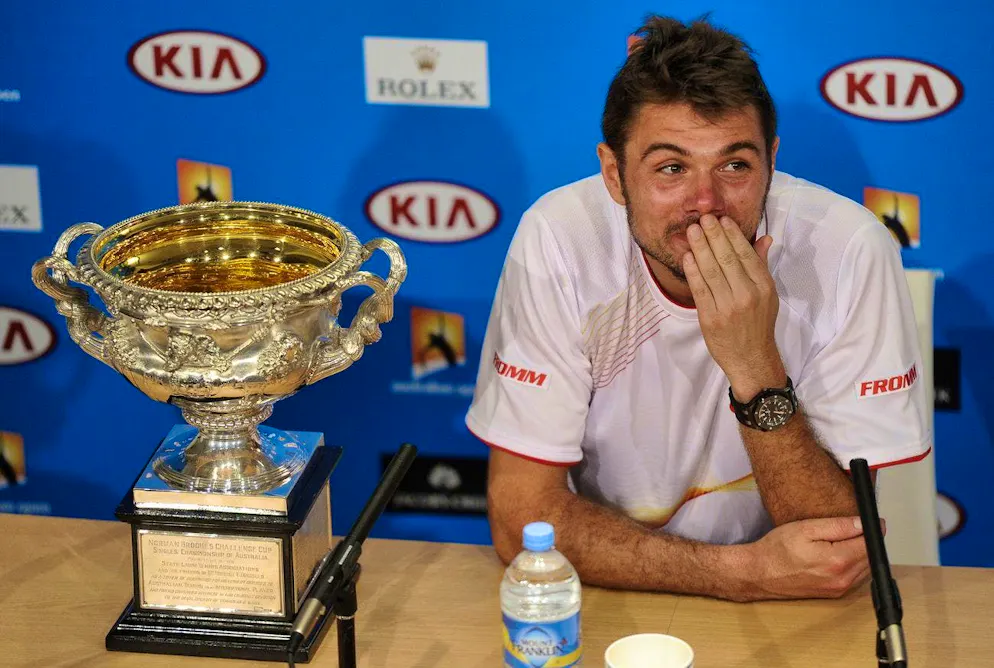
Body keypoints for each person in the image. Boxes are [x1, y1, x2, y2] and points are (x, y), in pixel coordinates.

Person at [464, 14, 931, 602]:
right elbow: (521, 519)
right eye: (671, 168)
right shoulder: (559, 238)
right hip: (621, 601)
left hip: (796, 614)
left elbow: (836, 547)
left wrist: (755, 368)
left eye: (735, 165)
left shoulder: (848, 249)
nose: (705, 204)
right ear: (613, 173)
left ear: (771, 159)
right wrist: (738, 575)